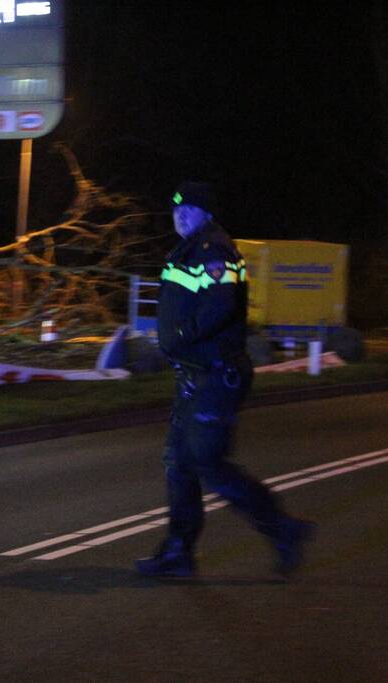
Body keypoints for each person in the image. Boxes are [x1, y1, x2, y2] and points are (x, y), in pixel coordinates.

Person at [135, 181, 314, 578]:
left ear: (207, 213)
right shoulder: (190, 249)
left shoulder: (211, 250)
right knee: (180, 464)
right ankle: (178, 554)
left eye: (190, 209)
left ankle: (284, 530)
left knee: (208, 465)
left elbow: (220, 306)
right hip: (195, 377)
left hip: (216, 376)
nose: (180, 214)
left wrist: (179, 338)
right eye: (176, 208)